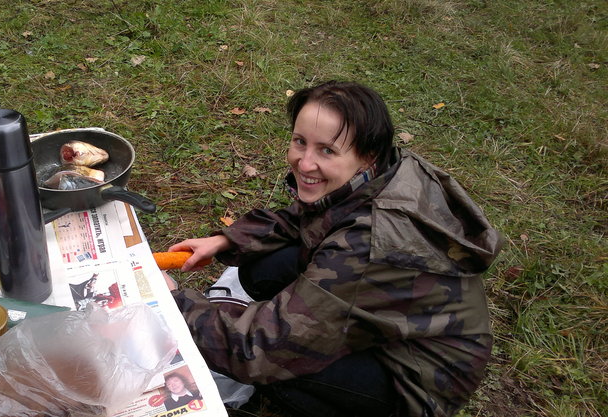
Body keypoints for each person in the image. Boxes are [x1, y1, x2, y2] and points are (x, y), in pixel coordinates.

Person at [162, 81, 503, 417]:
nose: (304, 163)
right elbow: (306, 216)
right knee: (260, 267)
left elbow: (261, 351)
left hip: (415, 378)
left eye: (326, 150)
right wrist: (226, 240)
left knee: (285, 365)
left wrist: (171, 302)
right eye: (300, 141)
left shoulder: (369, 248)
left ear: (367, 155)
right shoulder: (381, 172)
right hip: (395, 318)